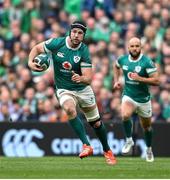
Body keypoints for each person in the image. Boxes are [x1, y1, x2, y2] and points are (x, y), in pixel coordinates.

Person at [28, 20, 116, 165]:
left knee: (96, 123)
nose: (76, 35)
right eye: (74, 32)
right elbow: (37, 49)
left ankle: (107, 150)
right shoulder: (57, 43)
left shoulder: (84, 51)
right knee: (69, 109)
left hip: (83, 89)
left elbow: (88, 79)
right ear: (70, 32)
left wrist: (81, 78)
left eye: (80, 33)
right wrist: (30, 63)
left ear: (83, 35)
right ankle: (86, 145)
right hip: (64, 89)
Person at [113, 37, 159, 162]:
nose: (134, 48)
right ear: (128, 48)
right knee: (125, 115)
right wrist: (116, 81)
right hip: (129, 96)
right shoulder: (123, 59)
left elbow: (157, 80)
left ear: (141, 47)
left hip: (144, 99)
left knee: (147, 127)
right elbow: (116, 66)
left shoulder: (146, 62)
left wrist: (141, 79)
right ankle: (129, 141)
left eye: (137, 46)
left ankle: (149, 149)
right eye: (132, 46)